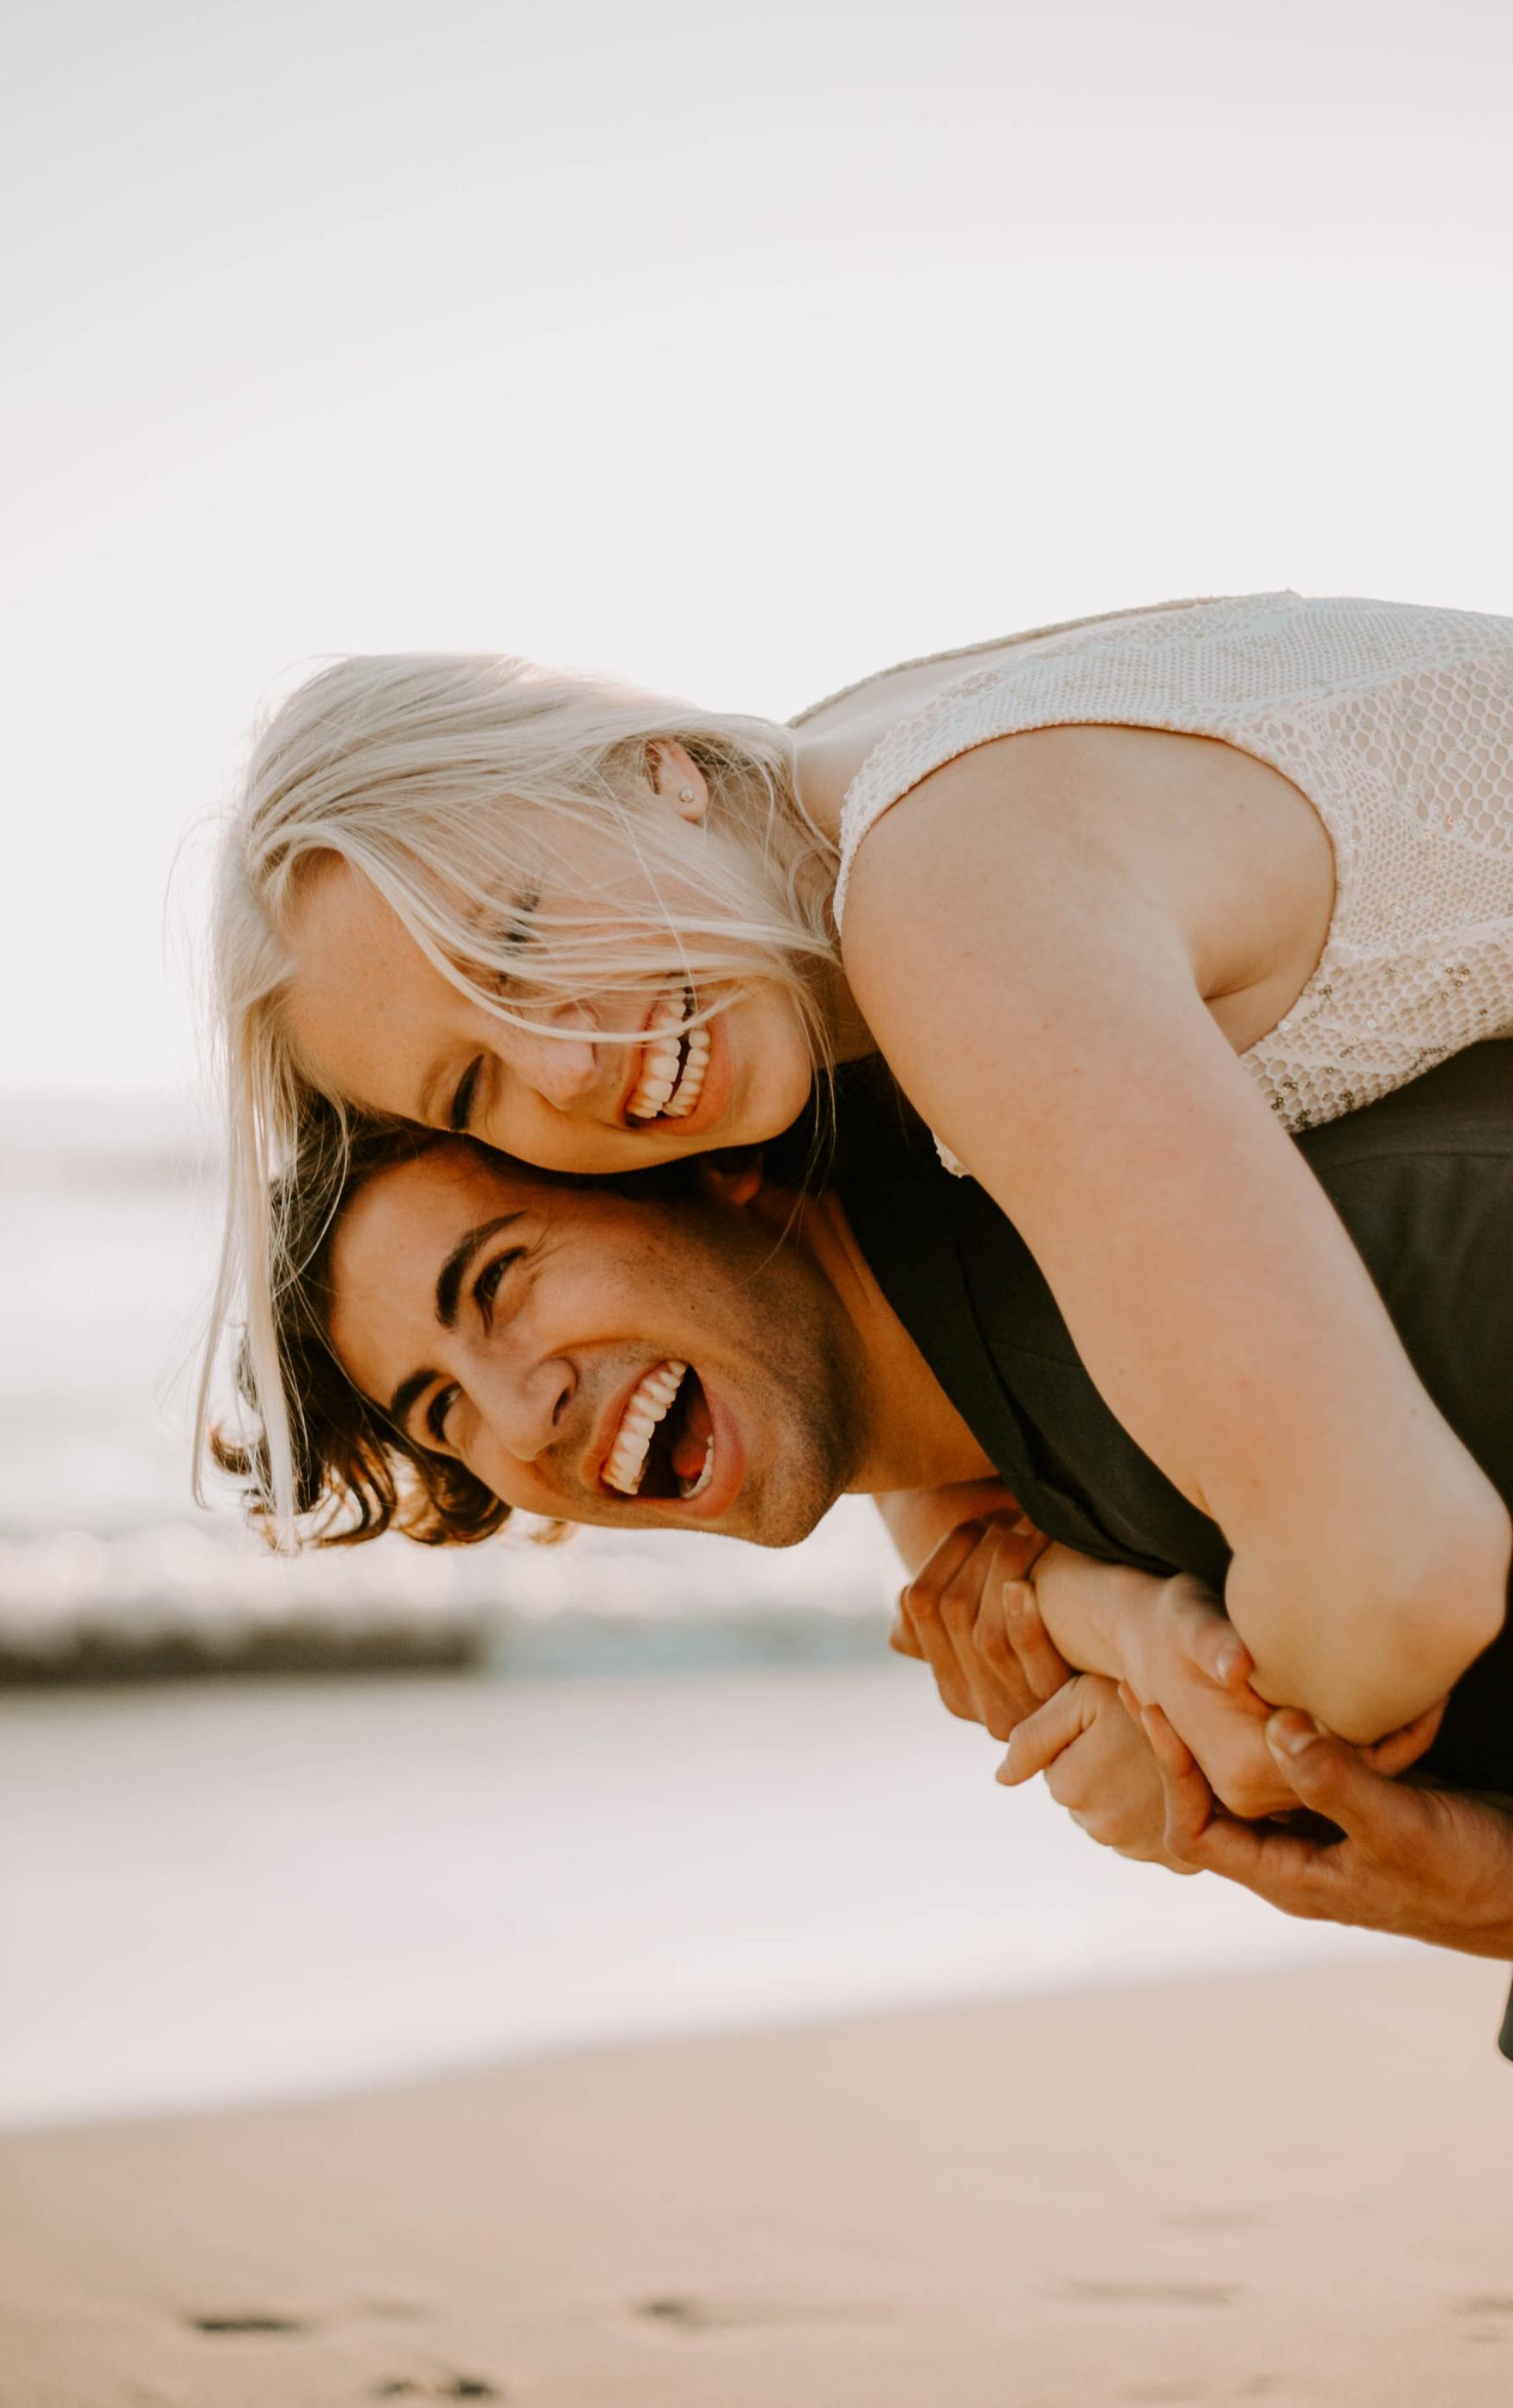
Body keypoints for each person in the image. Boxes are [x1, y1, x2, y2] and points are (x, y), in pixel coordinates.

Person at [206, 591, 1513, 1756]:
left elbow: (1396, 1579)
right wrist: (1077, 1598)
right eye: (473, 1089)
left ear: (653, 766)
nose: (563, 1071)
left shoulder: (945, 891)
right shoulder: (814, 846)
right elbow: (930, 1455)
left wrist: (1148, 1665)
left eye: (517, 940)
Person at [211, 1040, 1513, 2049]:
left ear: (691, 1159)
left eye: (502, 1281)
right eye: (443, 1412)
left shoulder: (1252, 1361)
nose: (520, 1416)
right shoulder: (1056, 1429)